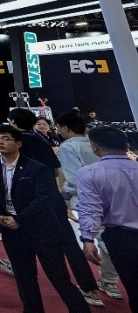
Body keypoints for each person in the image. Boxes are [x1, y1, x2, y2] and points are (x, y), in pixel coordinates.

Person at [0, 127, 111, 313]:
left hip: (41, 230)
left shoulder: (36, 168)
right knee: (24, 278)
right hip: (11, 231)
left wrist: (19, 218)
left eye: (6, 138)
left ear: (18, 143)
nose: (0, 142)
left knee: (61, 282)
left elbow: (45, 198)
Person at [8, 108, 102, 306]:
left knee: (31, 243)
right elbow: (56, 170)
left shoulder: (22, 143)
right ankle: (88, 286)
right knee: (68, 242)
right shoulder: (42, 140)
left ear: (13, 122)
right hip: (53, 197)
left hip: (33, 200)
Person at [77, 124, 138, 313]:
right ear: (126, 146)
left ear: (95, 147)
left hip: (121, 238)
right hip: (122, 236)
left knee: (134, 286)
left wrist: (88, 239)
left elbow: (90, 209)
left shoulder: (89, 173)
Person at [57, 111, 121, 300]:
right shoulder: (95, 142)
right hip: (114, 196)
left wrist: (64, 196)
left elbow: (74, 178)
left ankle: (108, 281)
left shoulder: (68, 146)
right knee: (109, 238)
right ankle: (109, 280)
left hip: (88, 199)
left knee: (102, 241)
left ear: (65, 128)